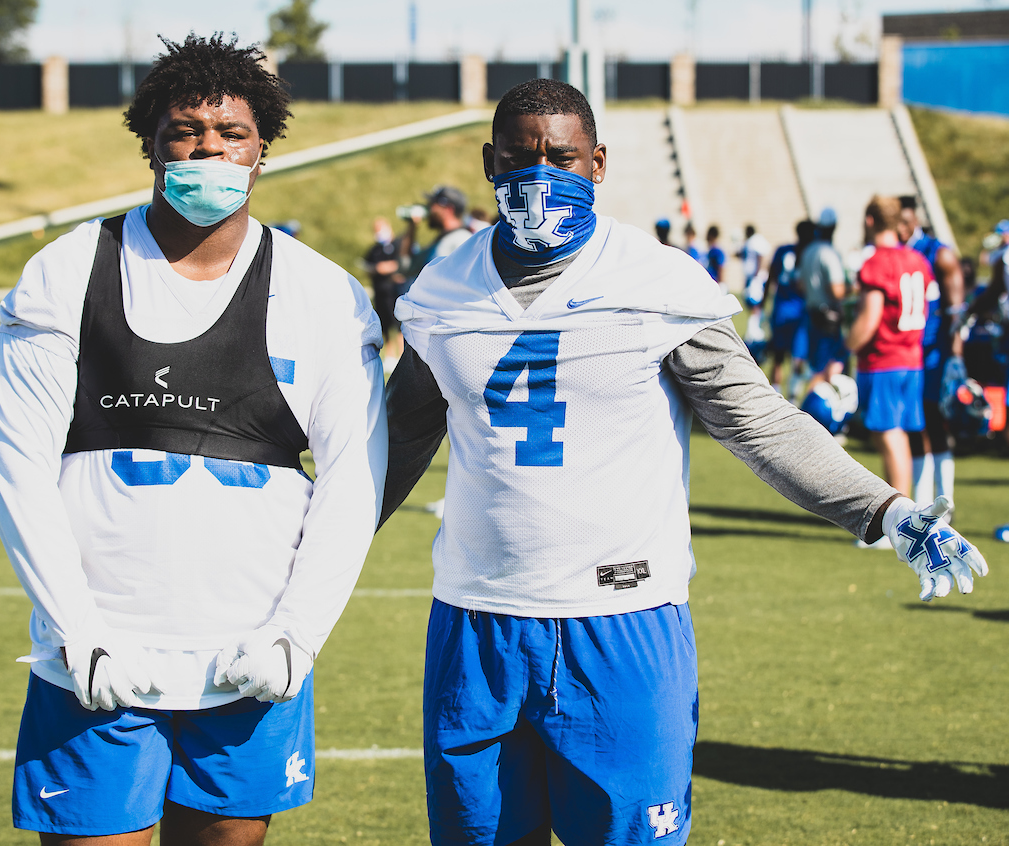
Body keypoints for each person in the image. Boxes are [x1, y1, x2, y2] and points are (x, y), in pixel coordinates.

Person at [380, 79, 986, 846]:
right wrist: (298, 554)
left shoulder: (656, 281)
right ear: (488, 163)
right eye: (519, 157)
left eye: (561, 157)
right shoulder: (443, 288)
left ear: (597, 163)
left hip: (621, 624)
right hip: (476, 621)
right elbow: (397, 443)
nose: (539, 175)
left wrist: (884, 511)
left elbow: (758, 422)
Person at [0, 33, 387, 846]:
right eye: (184, 132)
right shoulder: (65, 272)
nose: (209, 149)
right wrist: (75, 629)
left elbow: (353, 481)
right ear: (150, 145)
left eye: (230, 133)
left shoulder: (324, 294)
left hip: (250, 656)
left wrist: (296, 633)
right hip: (98, 659)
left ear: (261, 148)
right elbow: (15, 465)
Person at [846, 196, 932, 543]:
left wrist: (847, 344)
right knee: (895, 437)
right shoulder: (916, 259)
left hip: (885, 358)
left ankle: (900, 523)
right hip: (911, 357)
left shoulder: (878, 262)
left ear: (869, 220)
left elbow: (870, 318)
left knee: (889, 435)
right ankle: (898, 516)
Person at [898, 197, 966, 509]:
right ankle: (922, 502)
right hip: (906, 350)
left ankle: (944, 501)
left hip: (933, 352)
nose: (900, 228)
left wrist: (955, 354)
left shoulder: (937, 253)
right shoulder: (895, 253)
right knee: (914, 424)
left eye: (905, 220)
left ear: (915, 220)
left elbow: (956, 310)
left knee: (934, 421)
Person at [766, 220, 815, 399]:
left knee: (778, 358)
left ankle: (775, 397)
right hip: (800, 313)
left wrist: (765, 302)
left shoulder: (783, 250)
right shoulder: (810, 254)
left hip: (781, 310)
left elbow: (771, 277)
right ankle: (792, 399)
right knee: (798, 359)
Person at [800, 207, 849, 386]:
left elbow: (801, 284)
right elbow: (837, 291)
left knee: (815, 367)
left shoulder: (808, 251)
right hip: (828, 317)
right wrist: (853, 289)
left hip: (812, 313)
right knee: (826, 370)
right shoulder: (829, 253)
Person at [399, 184, 473, 287]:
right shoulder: (440, 241)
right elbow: (406, 267)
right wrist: (412, 227)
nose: (429, 209)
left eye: (432, 204)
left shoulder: (462, 240)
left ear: (448, 210)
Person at [365, 216, 404, 367]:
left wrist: (387, 267)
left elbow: (403, 263)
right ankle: (389, 356)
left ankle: (401, 354)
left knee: (398, 325)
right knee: (385, 325)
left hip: (394, 292)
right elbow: (369, 265)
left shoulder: (398, 244)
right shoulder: (375, 249)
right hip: (380, 292)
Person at [739, 223, 771, 339]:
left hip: (755, 277)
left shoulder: (755, 241)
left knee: (755, 304)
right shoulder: (750, 242)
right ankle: (755, 329)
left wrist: (757, 273)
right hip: (752, 277)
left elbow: (761, 256)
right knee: (751, 303)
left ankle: (755, 331)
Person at [703, 224, 727, 293]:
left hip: (716, 282)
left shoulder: (717, 251)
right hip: (711, 282)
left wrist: (721, 283)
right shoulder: (711, 250)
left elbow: (721, 266)